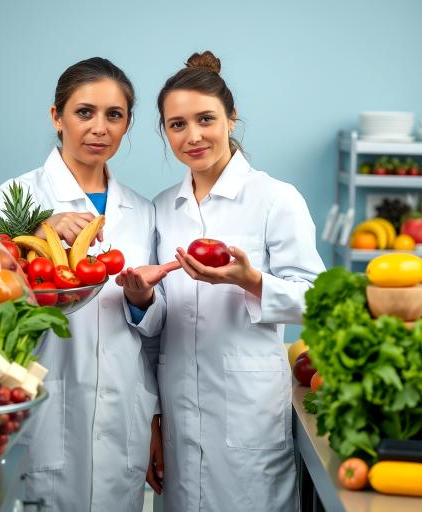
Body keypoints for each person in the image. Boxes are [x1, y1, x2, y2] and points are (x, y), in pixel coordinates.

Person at [119, 51, 326, 511]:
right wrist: (141, 299)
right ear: (164, 132)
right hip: (176, 417)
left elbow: (319, 300)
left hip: (248, 418)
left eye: (205, 119)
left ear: (231, 119)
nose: (192, 136)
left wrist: (253, 282)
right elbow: (156, 330)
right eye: (176, 124)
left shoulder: (275, 199)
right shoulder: (162, 208)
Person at [0, 58, 167, 511]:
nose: (99, 128)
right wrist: (37, 228)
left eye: (114, 115)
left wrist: (142, 301)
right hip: (47, 403)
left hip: (123, 407)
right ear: (56, 116)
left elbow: (154, 333)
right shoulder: (21, 197)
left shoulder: (143, 211)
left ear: (127, 123)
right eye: (84, 112)